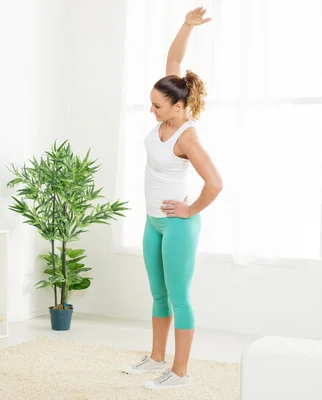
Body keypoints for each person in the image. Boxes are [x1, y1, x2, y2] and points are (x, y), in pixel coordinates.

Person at [121, 7, 222, 390]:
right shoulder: (167, 112)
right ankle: (156, 358)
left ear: (179, 108)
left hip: (178, 226)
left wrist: (190, 209)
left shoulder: (187, 136)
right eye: (152, 103)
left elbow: (214, 183)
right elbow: (174, 61)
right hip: (152, 222)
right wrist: (187, 26)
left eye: (158, 106)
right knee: (158, 294)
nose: (152, 109)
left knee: (179, 297)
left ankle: (179, 373)